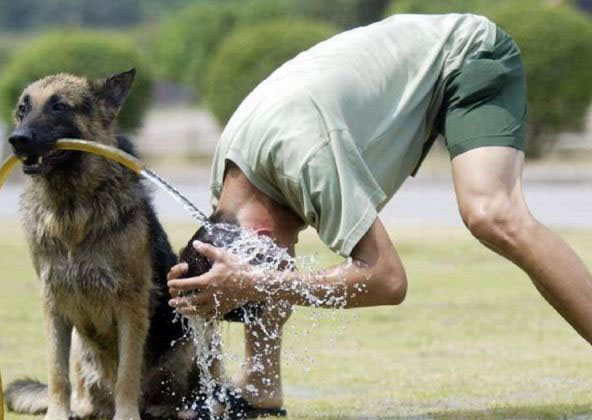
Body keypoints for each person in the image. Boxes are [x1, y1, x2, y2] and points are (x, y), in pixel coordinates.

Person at [167, 13, 592, 418]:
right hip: (403, 68)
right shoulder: (231, 191)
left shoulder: (307, 159)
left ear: (258, 233)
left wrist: (255, 280)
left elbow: (387, 280)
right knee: (262, 271)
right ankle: (260, 381)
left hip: (466, 53)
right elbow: (259, 266)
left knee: (492, 214)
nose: (285, 262)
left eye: (268, 260)